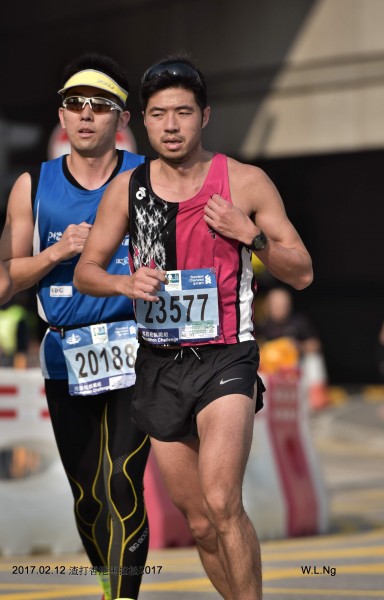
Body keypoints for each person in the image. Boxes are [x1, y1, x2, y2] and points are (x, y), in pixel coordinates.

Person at [74, 54, 313, 600]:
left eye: (183, 112)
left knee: (222, 499)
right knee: (201, 521)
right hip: (159, 364)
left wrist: (250, 235)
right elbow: (87, 271)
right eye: (159, 114)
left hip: (227, 356)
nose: (171, 125)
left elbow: (302, 272)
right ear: (143, 120)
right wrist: (124, 283)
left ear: (204, 116)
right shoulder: (127, 189)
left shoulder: (244, 182)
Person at [0, 53, 150, 600]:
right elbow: (4, 282)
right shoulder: (32, 186)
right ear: (61, 116)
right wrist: (57, 252)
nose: (86, 114)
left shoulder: (149, 176)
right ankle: (109, 580)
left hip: (137, 347)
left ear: (122, 118)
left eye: (100, 105)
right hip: (66, 353)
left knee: (123, 482)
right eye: (74, 104)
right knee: (88, 496)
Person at [255, 286, 329, 408]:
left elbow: (315, 345)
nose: (280, 308)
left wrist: (298, 346)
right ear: (267, 306)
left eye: (283, 305)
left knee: (313, 360)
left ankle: (317, 399)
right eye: (276, 305)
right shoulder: (261, 326)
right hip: (271, 368)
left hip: (295, 367)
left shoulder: (298, 322)